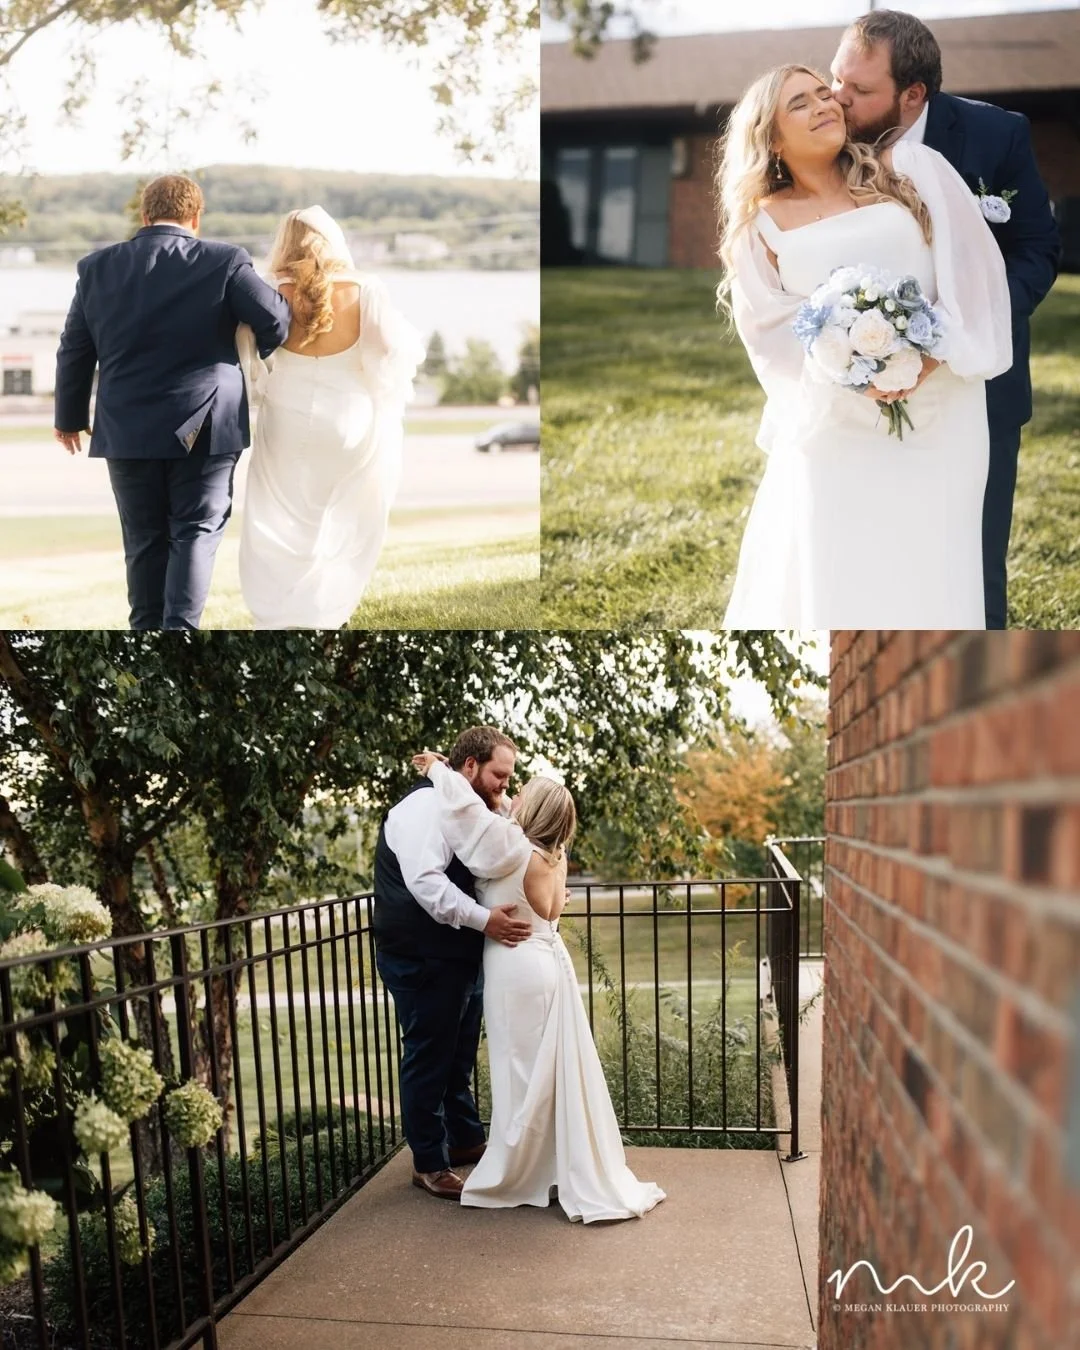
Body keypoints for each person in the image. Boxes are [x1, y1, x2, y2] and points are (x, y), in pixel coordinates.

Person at [717, 62, 1011, 629]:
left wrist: (924, 357)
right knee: (843, 566)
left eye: (825, 94)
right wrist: (853, 371)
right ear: (770, 137)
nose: (824, 105)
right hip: (838, 424)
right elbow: (771, 338)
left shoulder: (908, 172)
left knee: (936, 566)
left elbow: (973, 275)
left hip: (943, 411)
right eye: (799, 103)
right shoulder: (759, 227)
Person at [831, 10, 1061, 630]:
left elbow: (1037, 250)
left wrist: (956, 334)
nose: (838, 98)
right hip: (861, 390)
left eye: (859, 89)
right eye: (836, 79)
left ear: (913, 94)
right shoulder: (826, 136)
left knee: (975, 561)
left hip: (979, 388)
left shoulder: (997, 136)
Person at [412, 751, 666, 1224]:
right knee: (549, 1073)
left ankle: (520, 1173)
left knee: (520, 1074)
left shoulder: (511, 848)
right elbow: (548, 904)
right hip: (549, 961)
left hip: (516, 969)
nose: (513, 795)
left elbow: (468, 821)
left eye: (523, 791)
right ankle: (550, 1168)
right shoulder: (555, 854)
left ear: (533, 811)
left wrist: (440, 772)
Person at [54, 174, 291, 630]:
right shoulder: (224, 261)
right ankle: (180, 630)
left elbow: (75, 348)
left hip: (126, 428)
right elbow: (275, 320)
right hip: (205, 424)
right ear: (196, 217)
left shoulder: (96, 267)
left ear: (143, 216)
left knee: (143, 540)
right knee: (195, 532)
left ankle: (146, 630)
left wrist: (69, 418)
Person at [236, 207, 426, 628]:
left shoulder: (270, 290)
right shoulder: (367, 289)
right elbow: (391, 352)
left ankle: (282, 609)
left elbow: (247, 358)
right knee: (338, 510)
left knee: (282, 512)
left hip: (287, 416)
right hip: (349, 418)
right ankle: (325, 604)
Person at [372, 726, 532, 1201]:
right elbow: (426, 884)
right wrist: (486, 921)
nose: (504, 785)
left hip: (456, 954)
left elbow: (495, 830)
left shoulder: (464, 803)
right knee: (429, 1055)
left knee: (458, 1054)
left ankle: (463, 1140)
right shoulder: (423, 809)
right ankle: (428, 1162)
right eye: (499, 776)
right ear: (470, 767)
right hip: (422, 957)